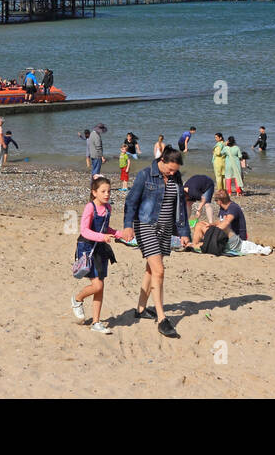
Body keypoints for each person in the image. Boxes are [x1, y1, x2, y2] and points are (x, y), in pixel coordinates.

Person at [119, 145, 191, 339]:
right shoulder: (145, 175)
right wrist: (127, 226)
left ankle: (141, 309)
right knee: (159, 270)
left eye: (176, 170)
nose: (173, 173)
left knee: (151, 269)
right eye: (170, 169)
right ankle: (161, 318)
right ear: (162, 161)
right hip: (146, 225)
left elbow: (181, 206)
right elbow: (131, 201)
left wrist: (184, 233)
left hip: (165, 229)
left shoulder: (176, 177)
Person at [72, 176, 121, 334]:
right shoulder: (90, 207)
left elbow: (106, 229)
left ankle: (96, 322)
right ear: (94, 193)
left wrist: (120, 234)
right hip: (86, 248)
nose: (107, 194)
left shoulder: (108, 208)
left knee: (100, 287)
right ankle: (78, 299)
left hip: (100, 249)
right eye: (103, 191)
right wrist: (103, 237)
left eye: (109, 191)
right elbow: (84, 231)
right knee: (97, 285)